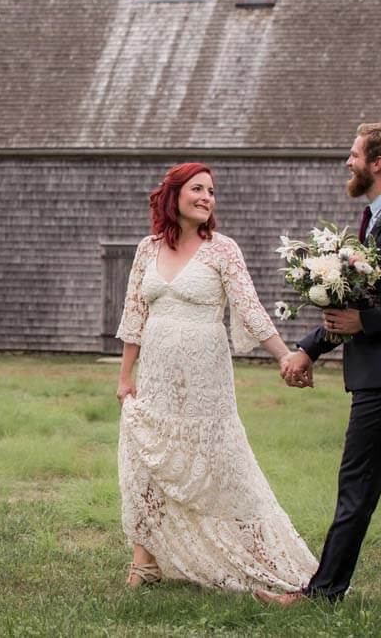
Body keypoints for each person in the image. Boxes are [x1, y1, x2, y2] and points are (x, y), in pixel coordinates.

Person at [259, 122, 381, 608]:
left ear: (377, 163)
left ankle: (324, 592)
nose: (348, 162)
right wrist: (309, 347)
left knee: (356, 485)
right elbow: (355, 308)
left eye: (355, 154)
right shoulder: (374, 220)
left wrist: (368, 322)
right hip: (379, 373)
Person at [116, 162, 316, 590]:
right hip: (155, 373)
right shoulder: (147, 249)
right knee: (147, 459)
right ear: (174, 195)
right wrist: (125, 376)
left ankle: (261, 554)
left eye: (211, 191)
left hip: (205, 375)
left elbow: (250, 308)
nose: (206, 197)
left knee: (223, 464)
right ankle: (144, 562)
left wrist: (285, 355)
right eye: (197, 189)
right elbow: (134, 314)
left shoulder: (223, 250)